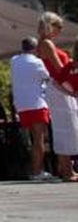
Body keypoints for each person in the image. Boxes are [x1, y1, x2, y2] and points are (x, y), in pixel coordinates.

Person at [34, 12, 78, 181]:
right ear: (50, 26)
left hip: (58, 86)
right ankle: (67, 171)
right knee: (65, 127)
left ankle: (67, 169)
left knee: (67, 127)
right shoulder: (47, 44)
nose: (60, 30)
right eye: (58, 26)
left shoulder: (43, 43)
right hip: (59, 87)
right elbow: (60, 69)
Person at [9, 37, 56, 182]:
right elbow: (48, 78)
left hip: (21, 105)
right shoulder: (37, 62)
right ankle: (37, 172)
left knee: (32, 140)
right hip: (36, 104)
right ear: (35, 49)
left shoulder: (14, 60)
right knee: (39, 140)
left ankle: (36, 169)